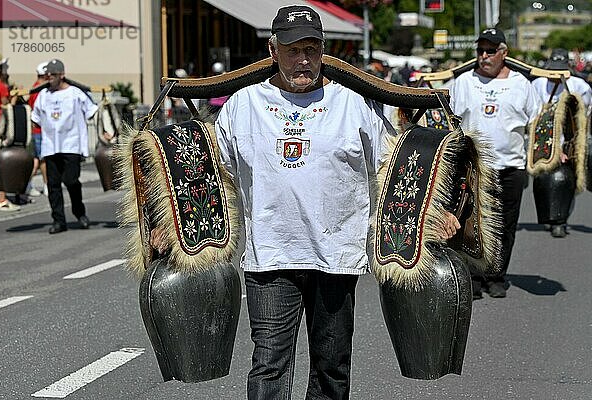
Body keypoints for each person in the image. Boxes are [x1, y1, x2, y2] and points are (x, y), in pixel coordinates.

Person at [209, 5, 459, 399]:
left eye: (311, 48)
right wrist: (171, 228)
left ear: (323, 50)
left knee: (332, 366)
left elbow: (393, 168)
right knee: (269, 363)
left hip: (336, 256)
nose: (303, 59)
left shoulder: (354, 103)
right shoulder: (243, 105)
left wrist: (432, 212)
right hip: (271, 257)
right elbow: (211, 174)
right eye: (293, 49)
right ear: (273, 51)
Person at [449, 28, 543, 299]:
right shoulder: (464, 82)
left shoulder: (521, 85)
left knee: (505, 225)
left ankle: (496, 276)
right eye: (480, 51)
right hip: (473, 167)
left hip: (510, 166)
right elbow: (449, 120)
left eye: (491, 51)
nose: (484, 56)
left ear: (504, 53)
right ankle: (474, 276)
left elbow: (536, 122)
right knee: (470, 222)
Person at [31, 59, 97, 234]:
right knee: (53, 184)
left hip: (71, 144)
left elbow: (92, 111)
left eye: (52, 74)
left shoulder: (76, 94)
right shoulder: (43, 96)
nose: (49, 78)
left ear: (61, 75)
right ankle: (58, 220)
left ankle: (79, 213)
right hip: (50, 146)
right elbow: (35, 118)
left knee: (71, 180)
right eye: (47, 75)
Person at [531, 48, 592, 238]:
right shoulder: (538, 84)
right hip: (544, 138)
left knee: (568, 180)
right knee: (543, 178)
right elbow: (533, 114)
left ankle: (562, 219)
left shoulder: (580, 86)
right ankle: (550, 215)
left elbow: (584, 115)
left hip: (570, 139)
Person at [0, 53, 20, 211]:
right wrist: (13, 100)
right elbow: (6, 107)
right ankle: (2, 198)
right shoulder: (1, 87)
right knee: (1, 164)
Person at [26, 61, 49, 197]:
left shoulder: (35, 88)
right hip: (40, 130)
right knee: (43, 160)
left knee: (37, 160)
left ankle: (28, 185)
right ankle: (46, 185)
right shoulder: (39, 90)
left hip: (37, 130)